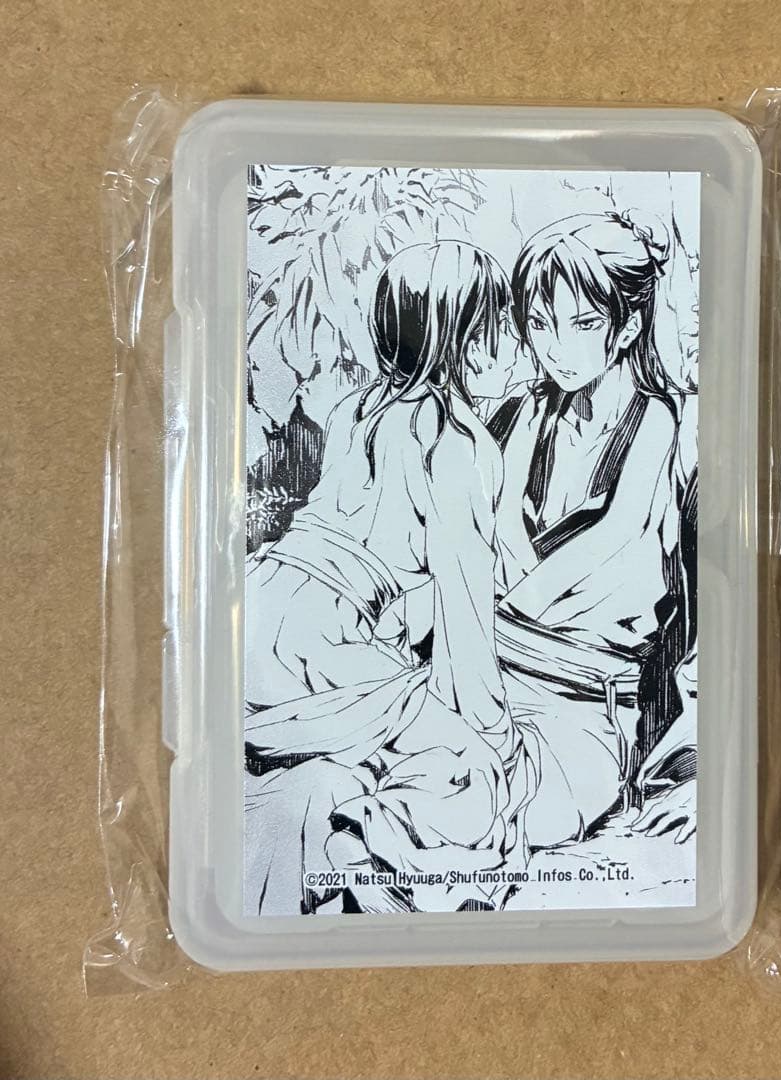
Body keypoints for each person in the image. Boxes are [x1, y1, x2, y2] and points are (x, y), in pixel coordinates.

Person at [244, 240, 535, 916]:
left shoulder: (356, 410)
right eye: (499, 326)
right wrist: (495, 732)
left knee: (404, 737)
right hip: (323, 647)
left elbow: (371, 550)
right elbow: (465, 615)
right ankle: (355, 853)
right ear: (461, 340)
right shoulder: (457, 444)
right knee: (474, 774)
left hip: (264, 610)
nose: (515, 346)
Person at [486, 210, 695, 850]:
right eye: (539, 324)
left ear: (627, 326)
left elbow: (612, 533)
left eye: (582, 324)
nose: (556, 347)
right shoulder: (524, 413)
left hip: (584, 703)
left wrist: (500, 605)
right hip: (487, 675)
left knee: (492, 813)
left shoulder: (654, 420)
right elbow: (492, 521)